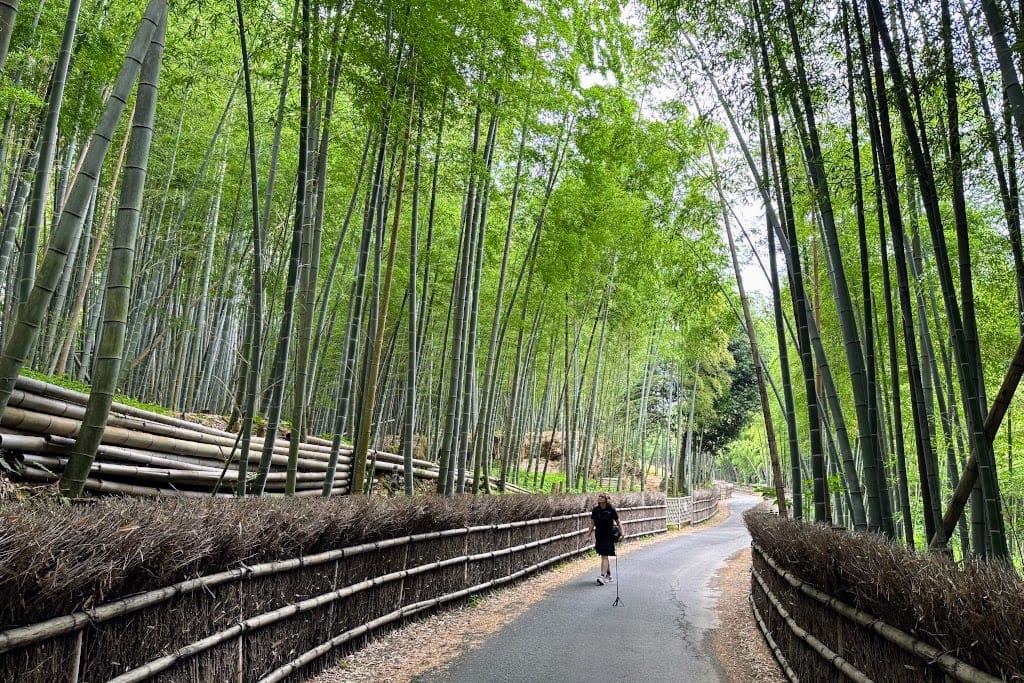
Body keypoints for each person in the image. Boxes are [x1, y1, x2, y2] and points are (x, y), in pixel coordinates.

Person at [587, 493, 623, 585]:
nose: (599, 498)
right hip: (599, 535)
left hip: (609, 535)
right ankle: (609, 575)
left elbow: (618, 522)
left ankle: (602, 576)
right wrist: (588, 534)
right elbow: (592, 523)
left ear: (606, 499)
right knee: (603, 554)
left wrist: (622, 533)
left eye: (602, 497)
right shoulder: (595, 510)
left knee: (604, 555)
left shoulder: (611, 510)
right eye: (599, 496)